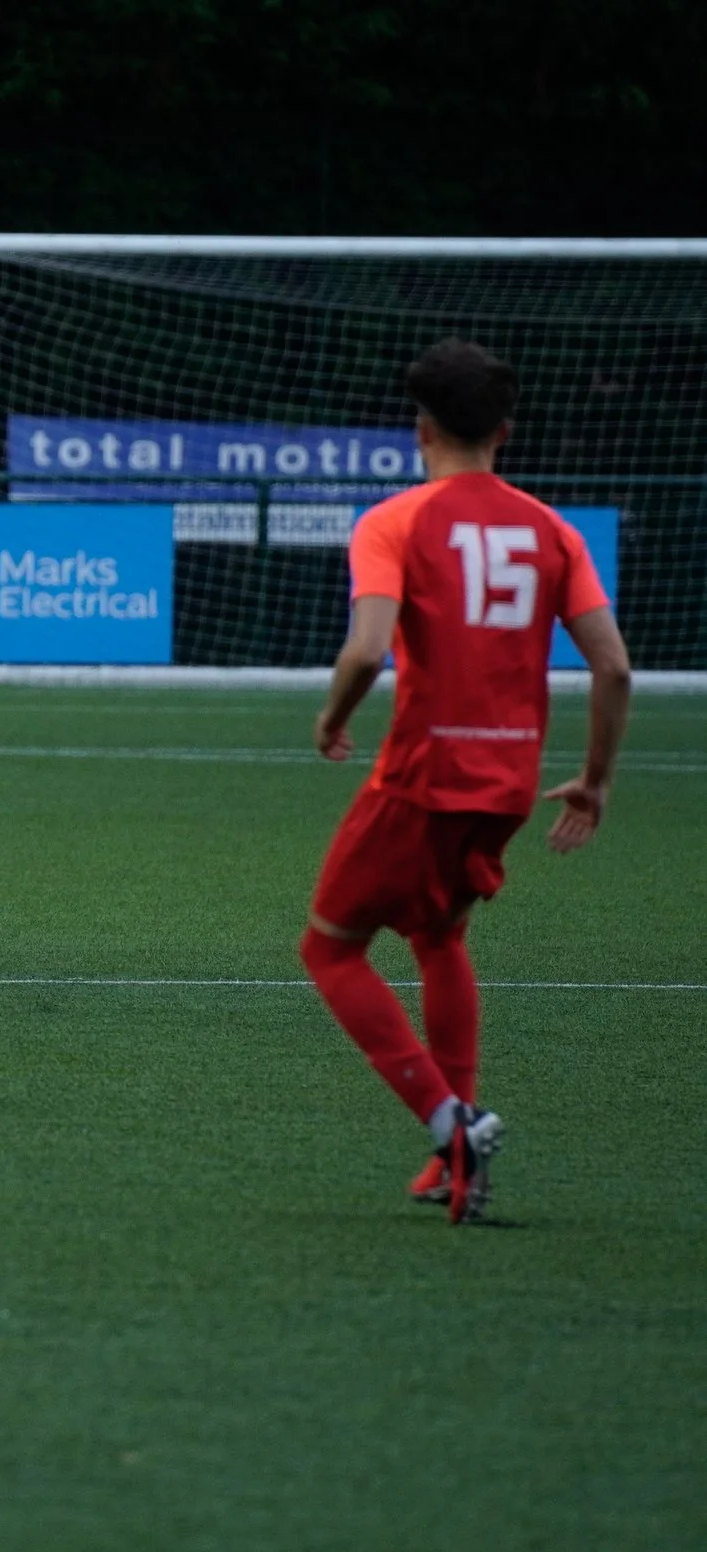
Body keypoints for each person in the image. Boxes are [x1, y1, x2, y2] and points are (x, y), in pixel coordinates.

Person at [301, 338, 630, 1223]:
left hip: (422, 777)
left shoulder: (395, 521)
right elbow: (613, 667)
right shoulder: (552, 530)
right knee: (438, 935)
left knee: (330, 949)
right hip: (509, 784)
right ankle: (455, 1161)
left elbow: (367, 648)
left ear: (422, 429)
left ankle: (454, 1123)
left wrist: (332, 719)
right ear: (504, 433)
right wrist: (595, 781)